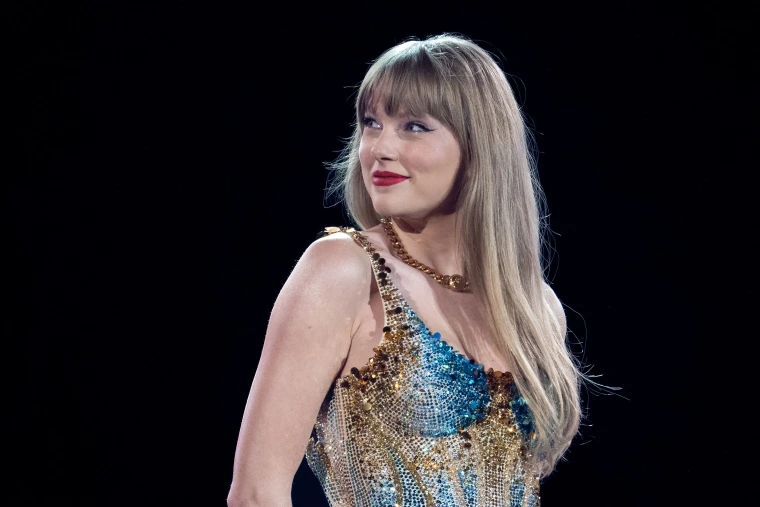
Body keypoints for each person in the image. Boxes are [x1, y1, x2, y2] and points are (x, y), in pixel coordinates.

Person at [227, 33, 584, 507]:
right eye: (371, 123)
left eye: (414, 126)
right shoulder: (344, 270)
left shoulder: (534, 307)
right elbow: (256, 493)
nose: (380, 147)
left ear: (480, 146)